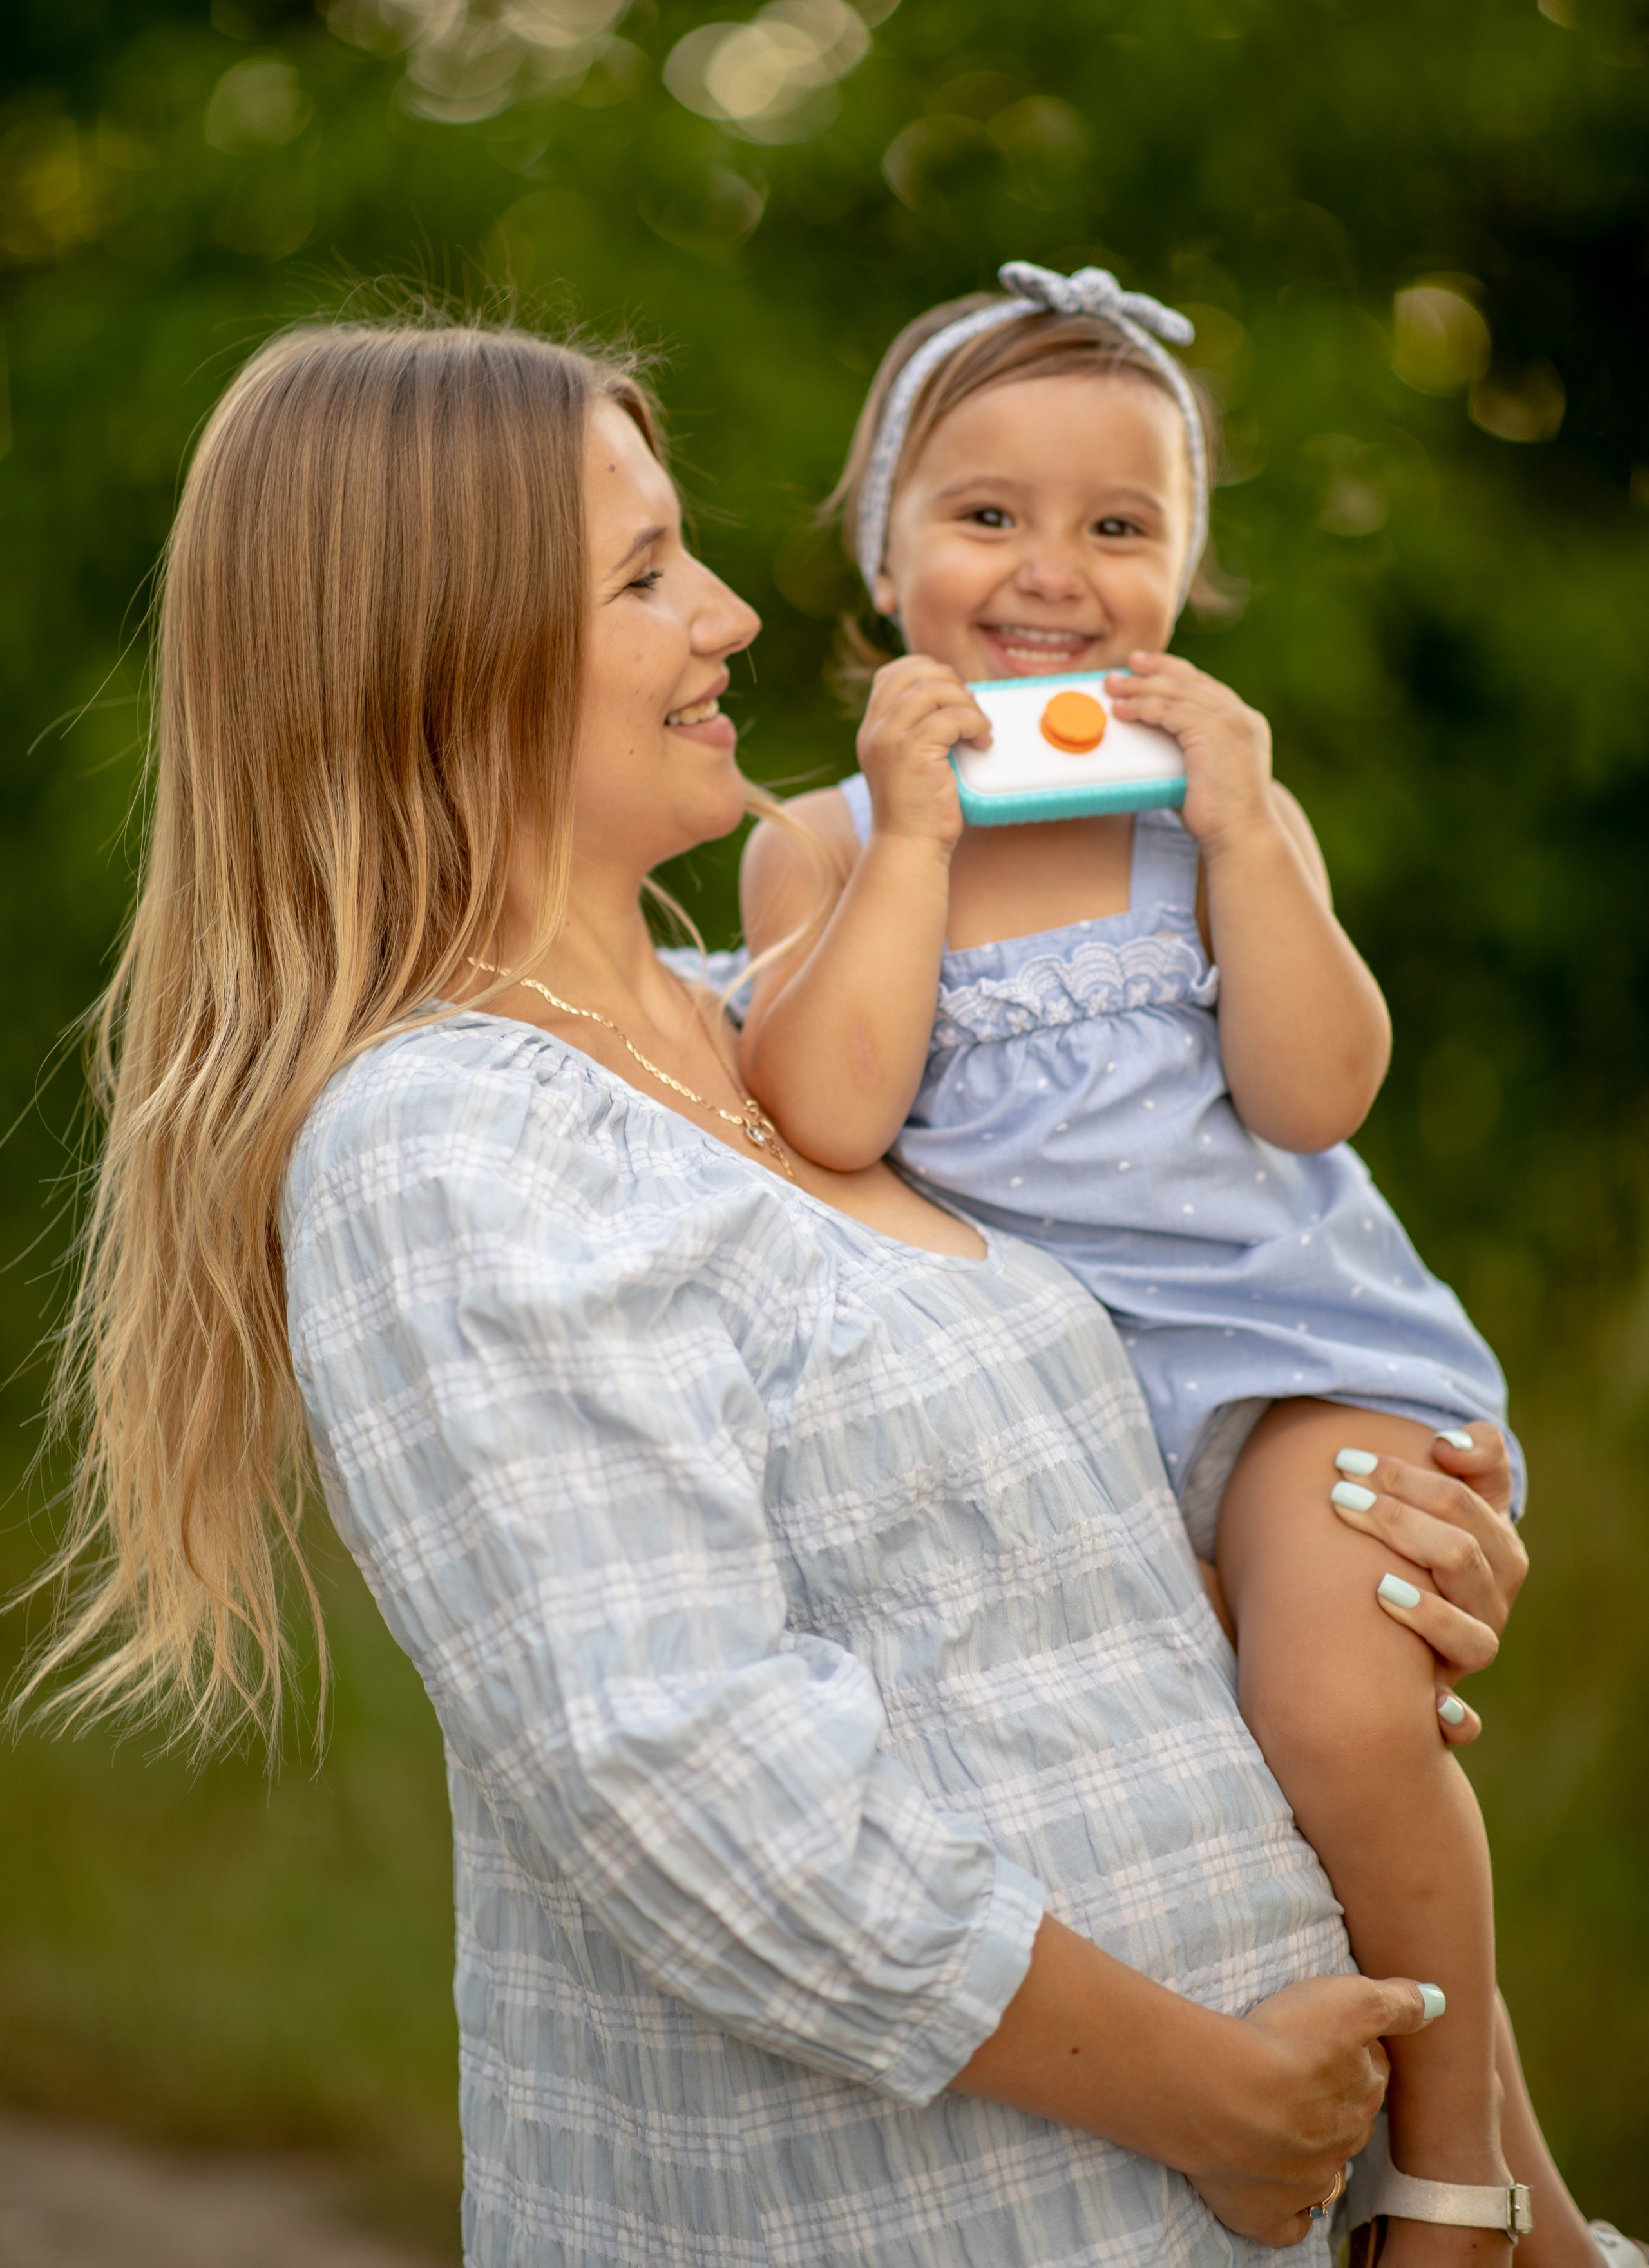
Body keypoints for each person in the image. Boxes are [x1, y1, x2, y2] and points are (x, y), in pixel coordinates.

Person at [26, 314, 1536, 2268]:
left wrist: (1346, 1585)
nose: (734, 614)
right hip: (947, 2217)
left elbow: (1039, 1542)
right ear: (441, 649)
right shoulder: (453, 1142)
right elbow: (680, 1769)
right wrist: (1211, 2096)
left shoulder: (800, 1051)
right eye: (647, 573)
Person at [737, 265, 1614, 2265]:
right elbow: (835, 1112)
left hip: (1301, 1364)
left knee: (1336, 1713)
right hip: (1074, 1427)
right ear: (881, 554)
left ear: (1187, 575)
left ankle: (1458, 2177)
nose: (1053, 570)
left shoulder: (1214, 821)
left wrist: (1240, 838)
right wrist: (912, 841)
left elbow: (1314, 1097)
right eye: (987, 514)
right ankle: (1543, 2209)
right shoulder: (818, 844)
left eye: (1119, 526)